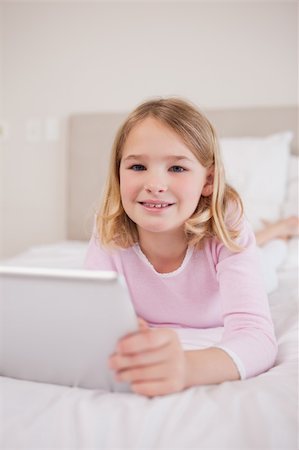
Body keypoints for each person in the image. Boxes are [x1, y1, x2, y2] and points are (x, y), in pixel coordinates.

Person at [84, 97, 278, 397]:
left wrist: (188, 367)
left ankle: (282, 230)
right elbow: (93, 317)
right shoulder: (108, 228)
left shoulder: (228, 224)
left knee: (271, 256)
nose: (155, 184)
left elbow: (258, 338)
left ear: (208, 180)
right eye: (137, 166)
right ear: (118, 174)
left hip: (253, 267)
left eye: (176, 168)